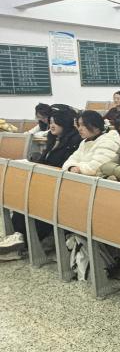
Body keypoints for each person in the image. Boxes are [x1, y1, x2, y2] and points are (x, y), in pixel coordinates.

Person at [4, 108, 81, 259]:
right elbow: (45, 161)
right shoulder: (52, 139)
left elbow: (63, 165)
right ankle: (19, 236)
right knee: (23, 200)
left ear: (64, 123)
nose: (51, 125)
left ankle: (25, 241)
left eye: (55, 122)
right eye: (50, 122)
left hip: (60, 186)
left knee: (38, 203)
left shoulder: (74, 141)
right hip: (46, 182)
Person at [62, 110, 120, 175]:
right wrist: (71, 167)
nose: (79, 129)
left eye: (84, 125)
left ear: (96, 126)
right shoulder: (85, 141)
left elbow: (96, 168)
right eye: (79, 125)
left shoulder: (109, 141)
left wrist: (78, 168)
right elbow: (71, 160)